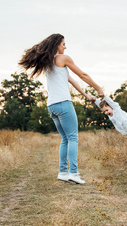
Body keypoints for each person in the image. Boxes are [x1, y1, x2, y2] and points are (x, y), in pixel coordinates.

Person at [19, 33, 104, 184]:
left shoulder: (48, 62)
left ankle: (63, 172)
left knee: (65, 138)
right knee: (73, 137)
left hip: (52, 106)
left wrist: (86, 95)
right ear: (57, 44)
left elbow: (70, 80)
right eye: (64, 44)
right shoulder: (63, 58)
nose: (65, 46)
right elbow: (83, 75)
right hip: (64, 103)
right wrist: (98, 88)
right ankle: (74, 173)